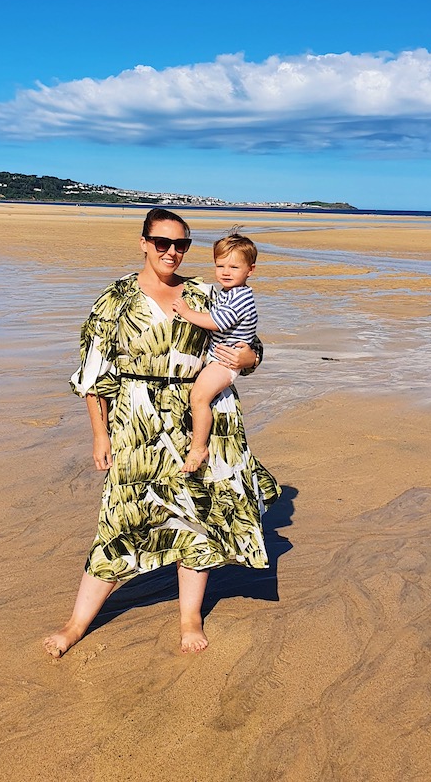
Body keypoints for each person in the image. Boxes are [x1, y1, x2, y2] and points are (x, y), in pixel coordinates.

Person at [43, 208, 280, 658]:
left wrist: (247, 361)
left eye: (182, 245)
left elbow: (251, 346)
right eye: (162, 243)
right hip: (137, 419)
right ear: (143, 243)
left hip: (203, 417)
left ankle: (190, 617)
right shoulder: (114, 301)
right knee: (122, 515)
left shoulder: (206, 293)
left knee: (197, 517)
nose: (172, 252)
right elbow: (95, 375)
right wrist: (100, 436)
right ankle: (76, 624)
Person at [171, 229, 258, 474]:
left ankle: (198, 447)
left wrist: (187, 313)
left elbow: (217, 322)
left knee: (199, 397)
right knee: (200, 397)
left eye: (234, 267)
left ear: (250, 270)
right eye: (220, 266)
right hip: (219, 359)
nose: (225, 273)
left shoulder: (240, 298)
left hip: (226, 363)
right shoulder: (229, 293)